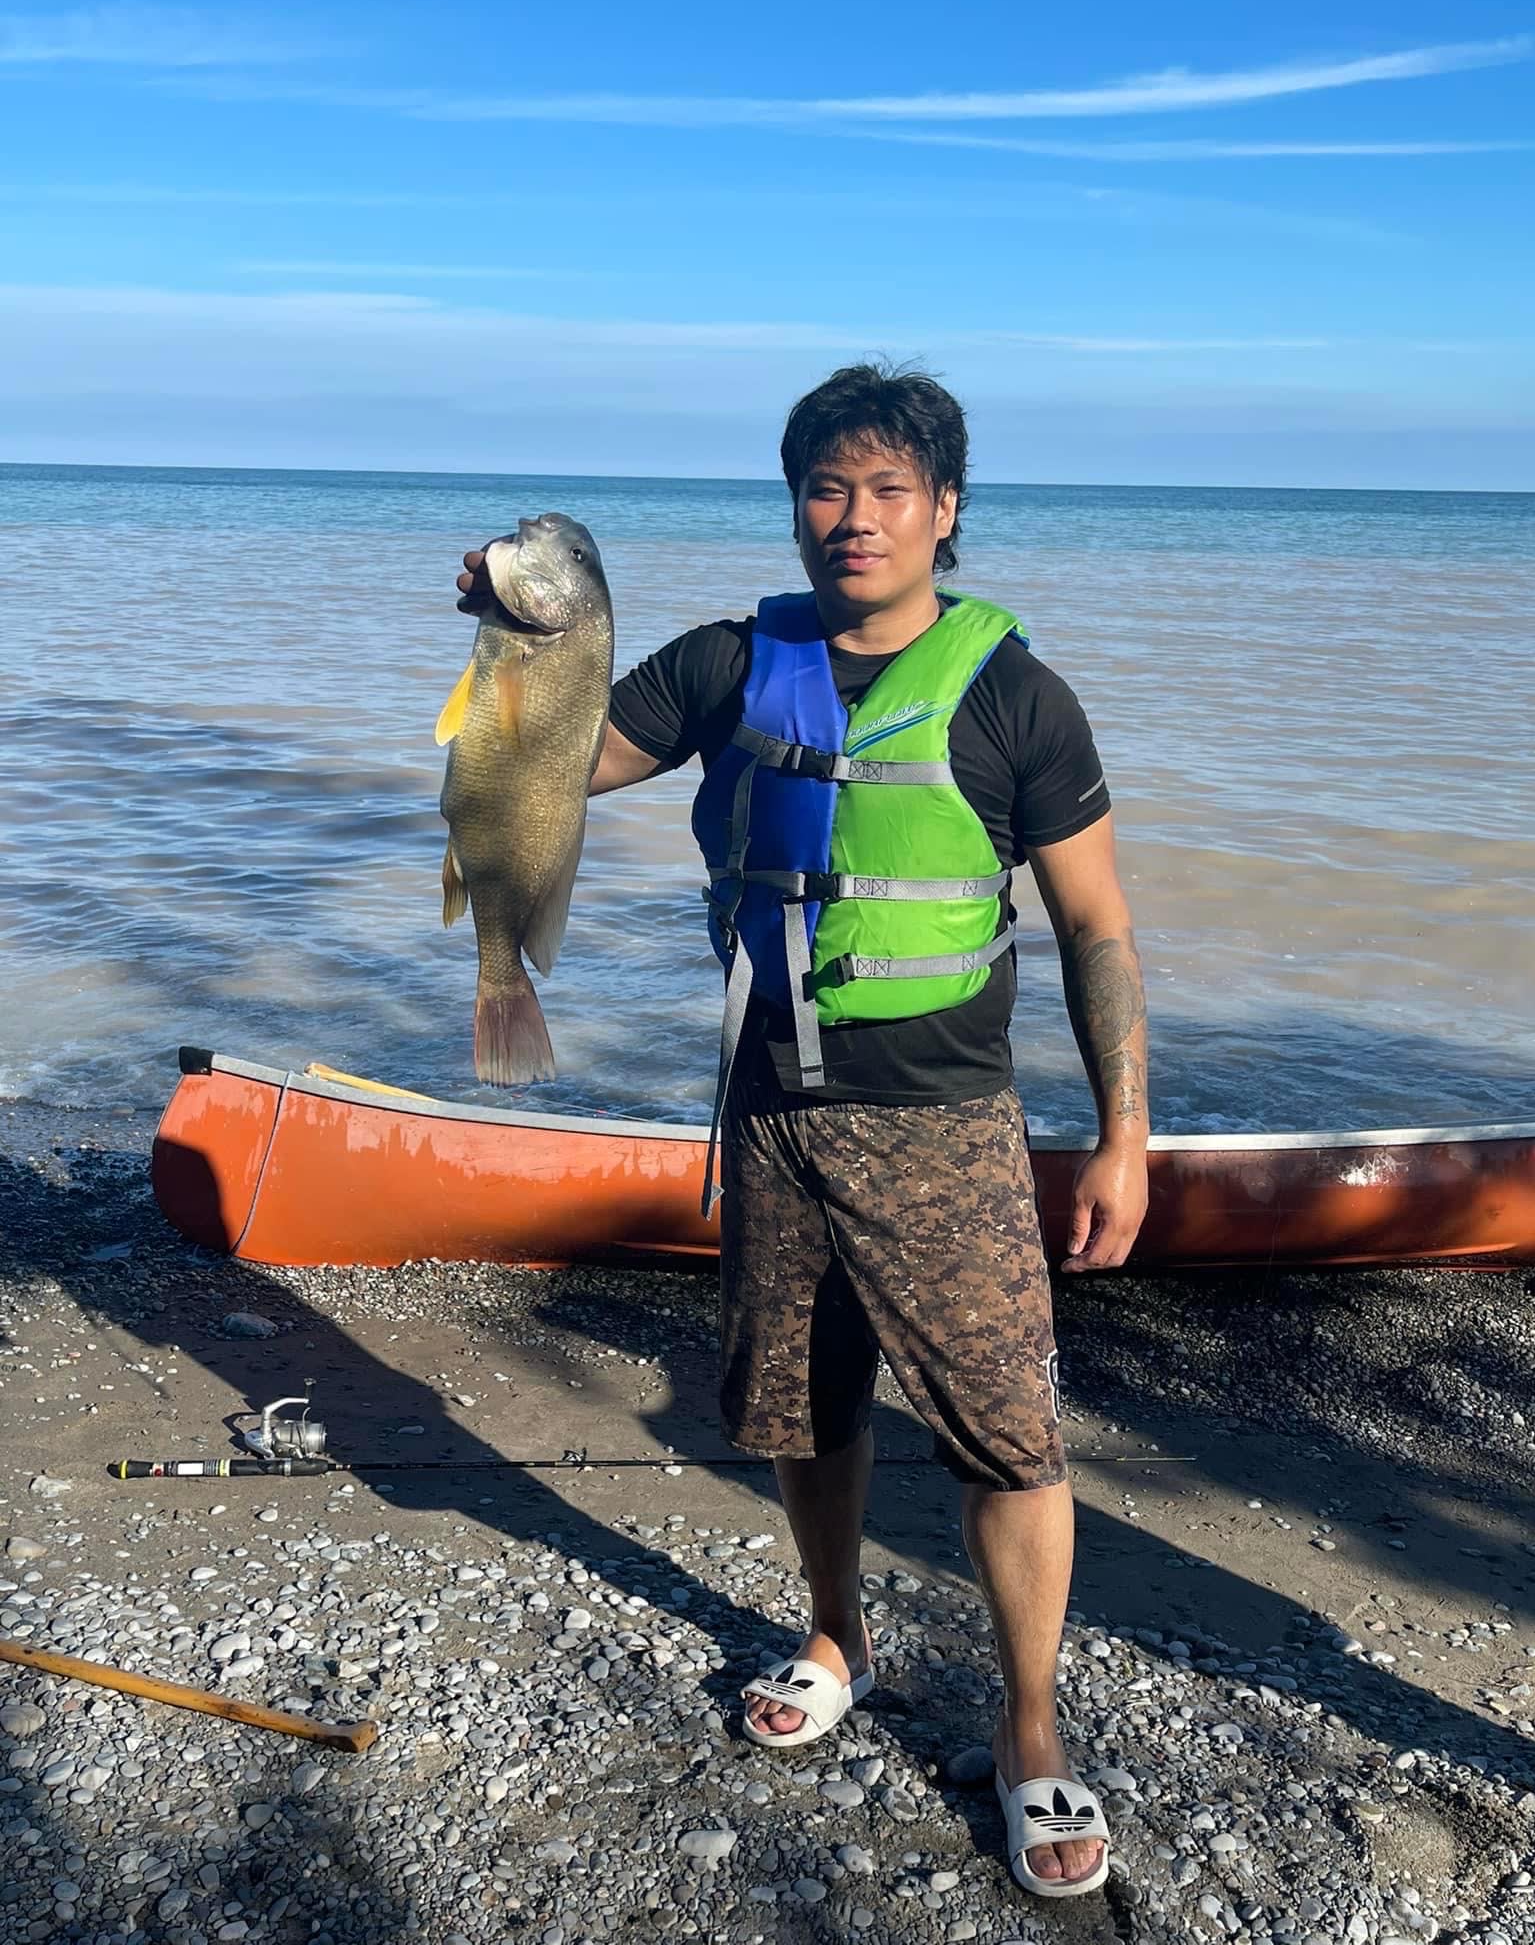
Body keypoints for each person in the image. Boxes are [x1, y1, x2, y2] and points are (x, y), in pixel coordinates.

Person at [454, 363, 1149, 1898]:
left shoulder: (1016, 695)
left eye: (890, 489)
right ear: (796, 505)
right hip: (768, 1107)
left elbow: (1097, 926)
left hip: (946, 1123)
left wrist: (1124, 1134)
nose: (855, 519)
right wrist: (521, 639)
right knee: (803, 1405)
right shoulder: (724, 664)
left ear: (946, 510)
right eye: (828, 489)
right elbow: (539, 772)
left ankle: (1031, 1724)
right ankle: (836, 1632)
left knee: (1008, 1433)